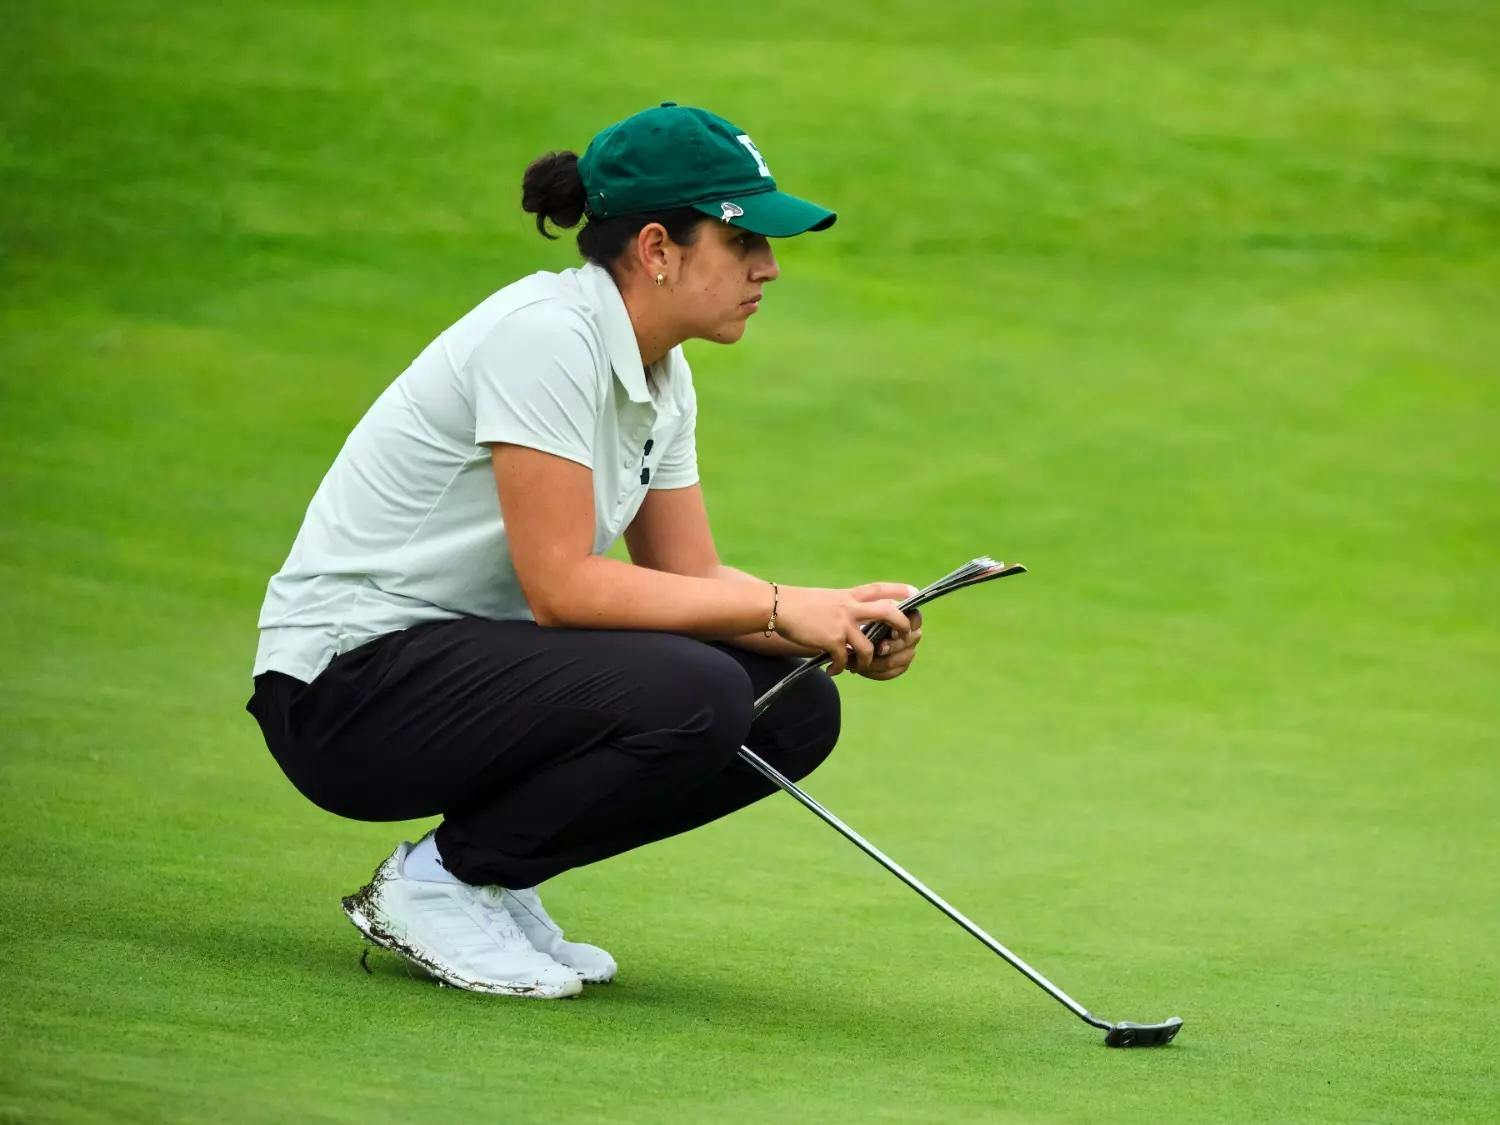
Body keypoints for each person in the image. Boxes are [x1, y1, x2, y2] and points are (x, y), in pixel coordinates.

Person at [246, 102, 924, 1000]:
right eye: (744, 241)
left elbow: (688, 579)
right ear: (657, 249)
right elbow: (562, 587)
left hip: (460, 675)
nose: (769, 266)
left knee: (790, 706)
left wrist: (829, 619)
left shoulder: (661, 373)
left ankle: (486, 873)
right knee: (704, 687)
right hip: (342, 690)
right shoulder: (545, 336)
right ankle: (437, 886)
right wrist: (775, 609)